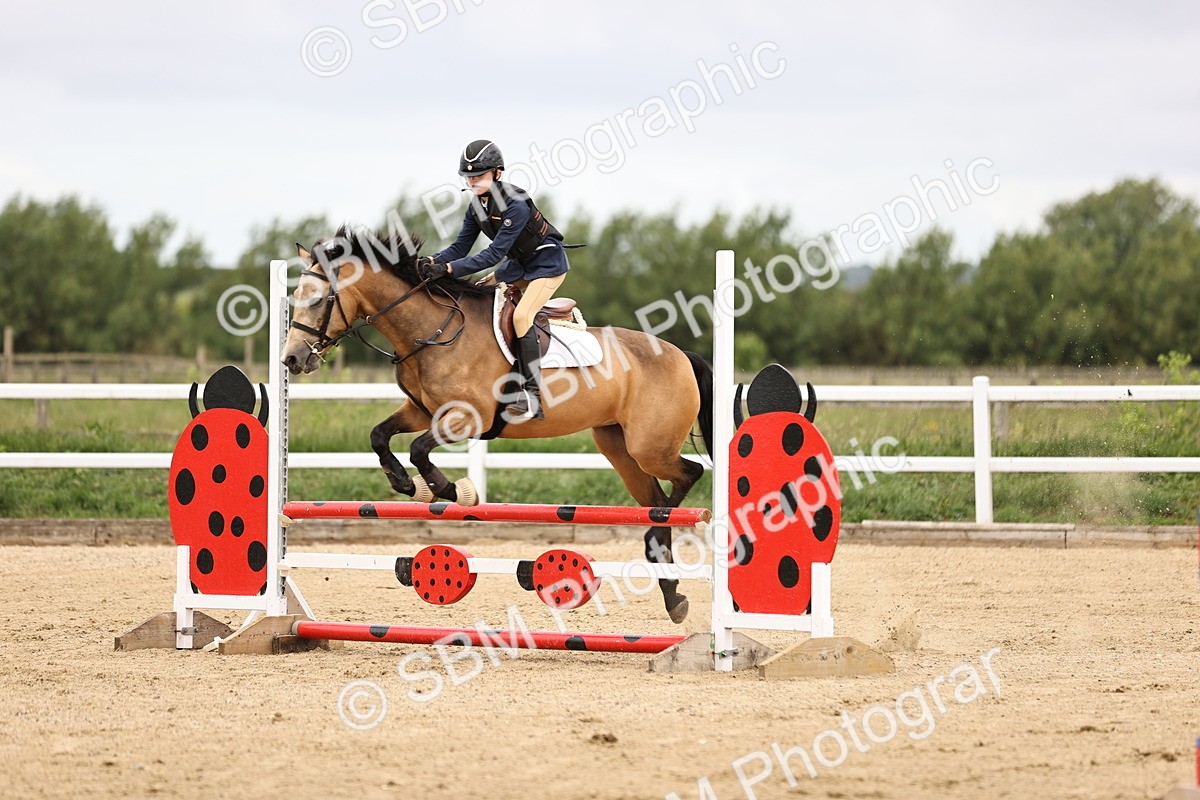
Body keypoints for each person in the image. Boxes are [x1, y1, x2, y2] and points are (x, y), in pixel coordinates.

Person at [417, 139, 573, 421]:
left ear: (498, 173)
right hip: (518, 265)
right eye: (469, 176)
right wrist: (432, 261)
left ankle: (530, 394)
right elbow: (459, 248)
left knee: (522, 316)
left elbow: (493, 254)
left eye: (479, 175)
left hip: (547, 264)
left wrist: (451, 270)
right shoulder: (476, 207)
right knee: (476, 300)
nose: (473, 181)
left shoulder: (516, 203)